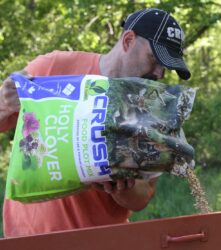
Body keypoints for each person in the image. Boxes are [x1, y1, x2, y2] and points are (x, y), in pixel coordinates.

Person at [0, 8, 191, 237]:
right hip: (28, 237)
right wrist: (5, 102)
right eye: (154, 59)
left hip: (101, 240)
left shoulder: (151, 109)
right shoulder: (54, 68)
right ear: (128, 40)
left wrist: (122, 188)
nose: (159, 74)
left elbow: (143, 196)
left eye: (166, 67)